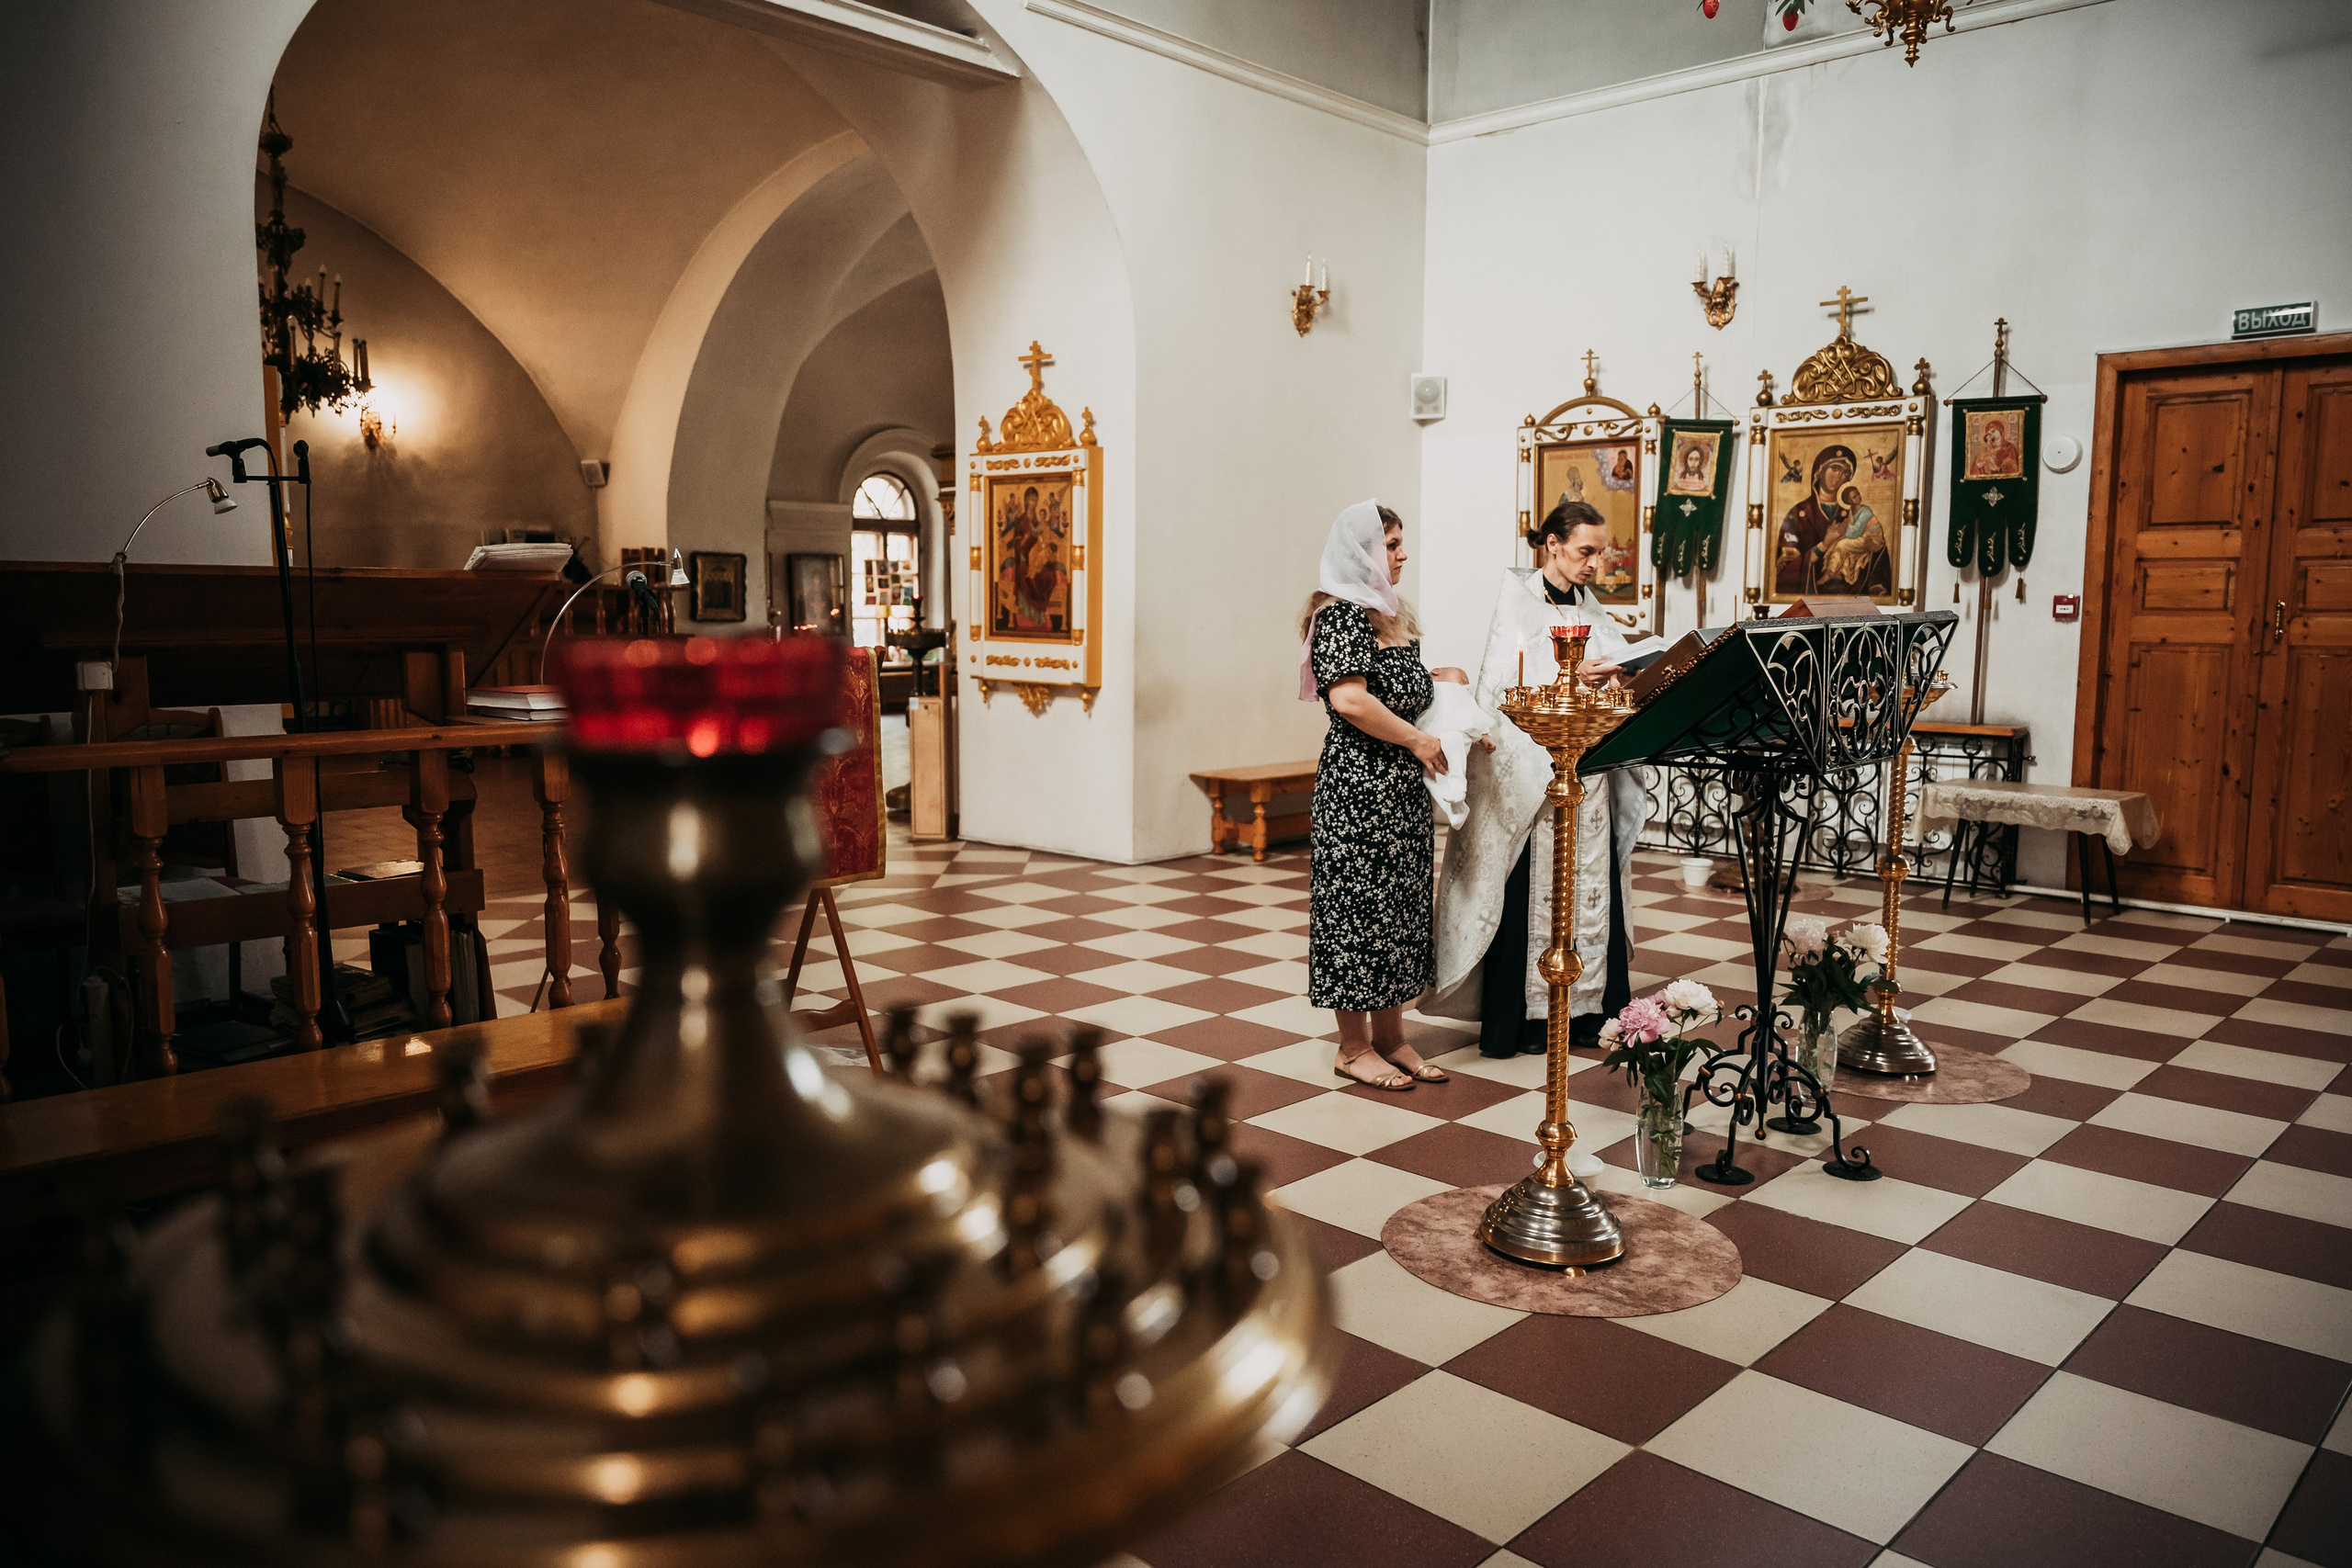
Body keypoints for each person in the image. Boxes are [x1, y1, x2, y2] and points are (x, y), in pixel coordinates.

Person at [1426, 499, 1662, 1056]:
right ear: (1552, 544)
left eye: (1599, 554)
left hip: (1590, 780)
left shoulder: (1591, 609)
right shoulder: (1518, 607)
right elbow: (1504, 696)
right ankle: (1528, 1021)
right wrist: (1573, 680)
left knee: (1590, 893)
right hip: (1536, 787)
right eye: (1585, 551)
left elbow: (1611, 681)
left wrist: (1620, 677)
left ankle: (1588, 1014)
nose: (1594, 564)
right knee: (1534, 896)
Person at [1299, 501, 1470, 1090]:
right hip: (1357, 790)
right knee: (1357, 915)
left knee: (1398, 912)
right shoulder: (1340, 616)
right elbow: (1350, 699)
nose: (1402, 555)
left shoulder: (1390, 612)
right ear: (1359, 550)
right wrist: (1419, 740)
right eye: (1390, 544)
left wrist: (1445, 689)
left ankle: (1393, 1038)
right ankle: (1352, 1048)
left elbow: (1394, 688)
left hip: (1399, 789)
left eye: (1400, 543)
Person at [1774, 444, 1855, 597]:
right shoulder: (1798, 514)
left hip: (1844, 597)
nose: (1839, 476)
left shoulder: (1851, 514)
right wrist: (1825, 544)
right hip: (1808, 594)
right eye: (1835, 468)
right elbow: (1786, 568)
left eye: (1845, 472)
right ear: (1820, 471)